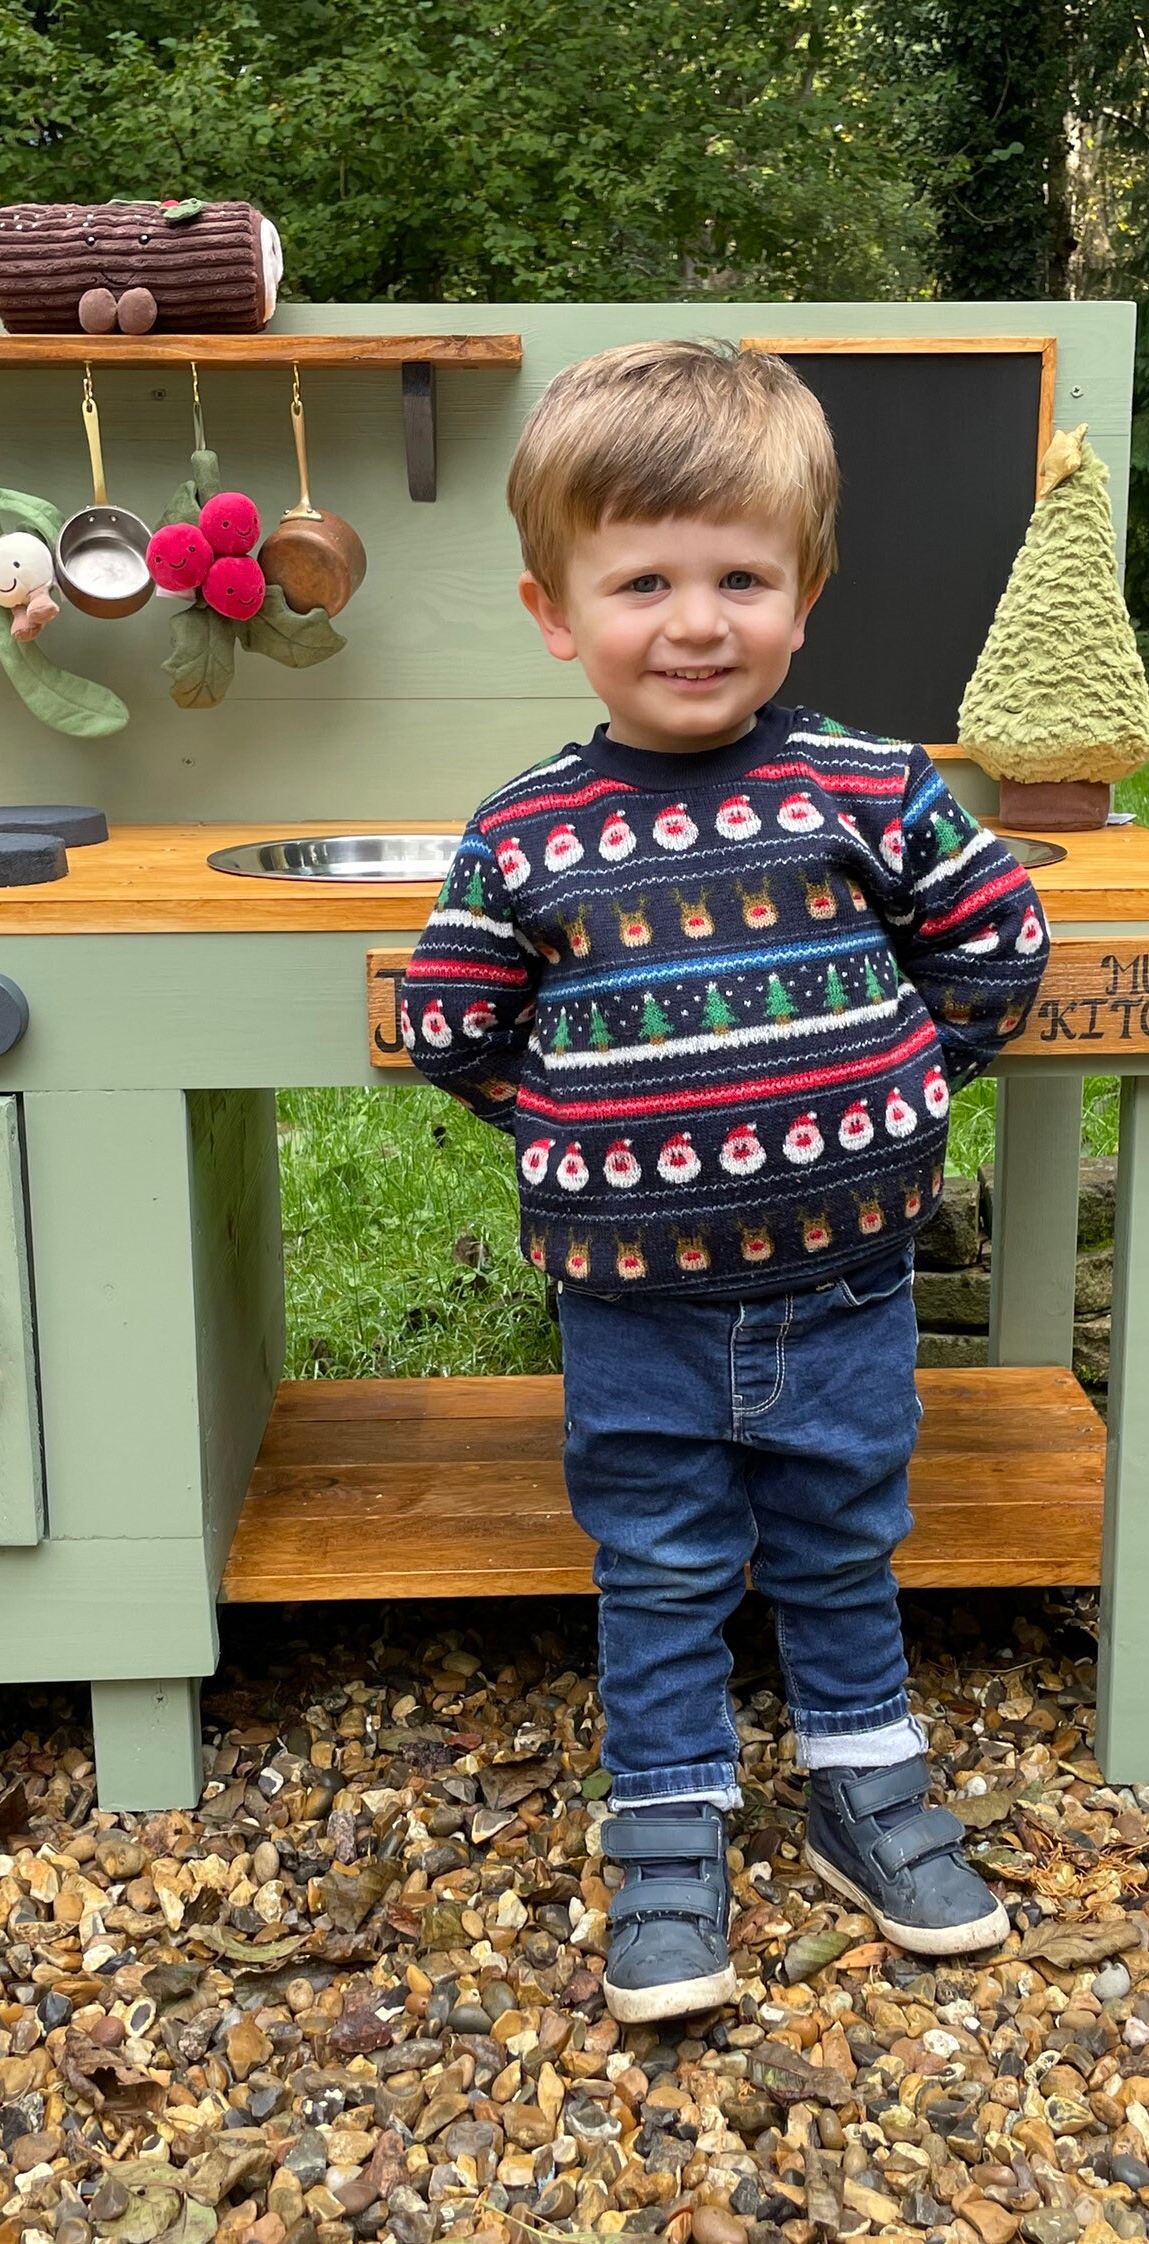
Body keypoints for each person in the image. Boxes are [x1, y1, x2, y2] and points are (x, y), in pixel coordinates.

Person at [399, 338, 1051, 2024]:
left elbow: (994, 944)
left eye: (741, 577)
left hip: (846, 1277)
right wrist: (593, 1129)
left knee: (844, 1539)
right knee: (664, 1561)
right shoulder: (524, 830)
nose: (697, 621)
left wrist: (906, 1086)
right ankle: (668, 1824)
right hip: (632, 1308)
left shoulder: (873, 787)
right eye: (644, 580)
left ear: (805, 594)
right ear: (556, 608)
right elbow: (455, 1022)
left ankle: (863, 1788)